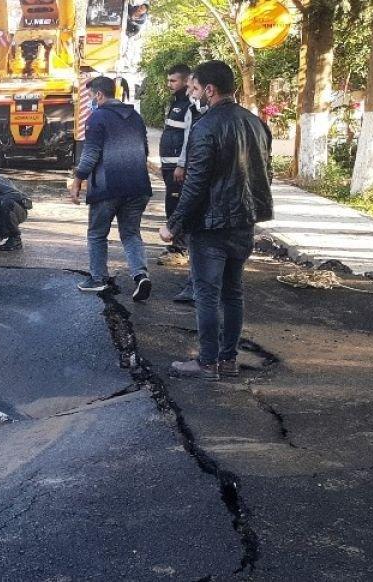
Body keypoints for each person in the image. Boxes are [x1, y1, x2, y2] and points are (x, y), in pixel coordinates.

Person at [160, 60, 273, 380]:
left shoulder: (205, 126)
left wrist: (174, 224)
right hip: (244, 221)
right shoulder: (256, 123)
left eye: (197, 88)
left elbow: (195, 184)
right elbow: (266, 172)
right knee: (233, 293)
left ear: (210, 90)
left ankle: (207, 361)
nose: (194, 94)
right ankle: (228, 360)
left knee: (207, 294)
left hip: (211, 226)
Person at [69, 75, 153, 301]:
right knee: (131, 233)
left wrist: (78, 179)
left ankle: (98, 279)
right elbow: (144, 150)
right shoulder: (135, 116)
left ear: (99, 94)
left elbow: (91, 153)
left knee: (97, 234)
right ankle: (140, 275)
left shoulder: (97, 117)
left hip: (108, 186)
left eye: (89, 96)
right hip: (138, 186)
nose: (89, 101)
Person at [158, 64, 204, 302]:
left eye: (174, 81)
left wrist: (181, 164)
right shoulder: (176, 102)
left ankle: (180, 248)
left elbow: (188, 137)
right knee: (170, 204)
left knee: (177, 207)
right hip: (169, 164)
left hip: (178, 166)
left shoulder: (189, 106)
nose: (170, 85)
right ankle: (176, 246)